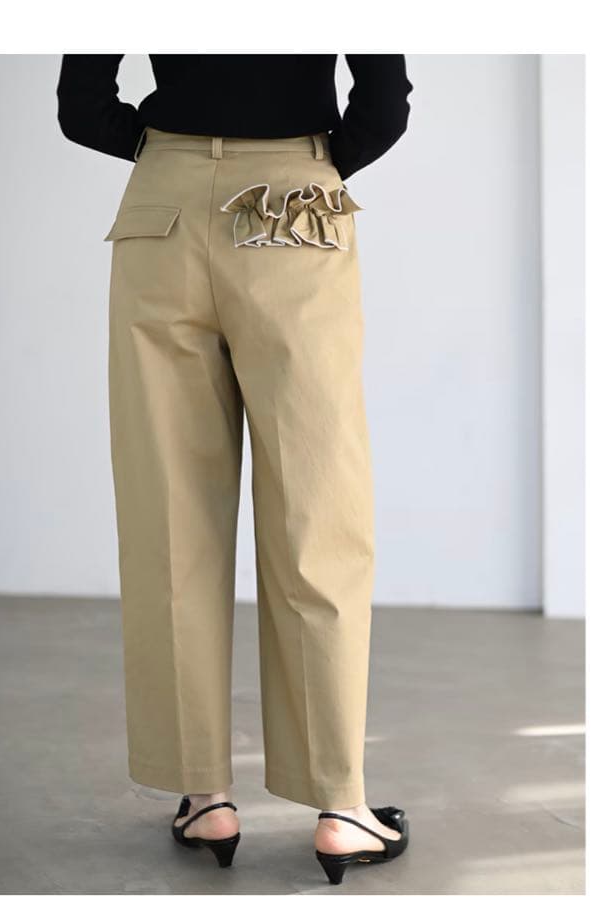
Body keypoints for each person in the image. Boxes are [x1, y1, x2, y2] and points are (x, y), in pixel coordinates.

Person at [56, 54, 413, 884]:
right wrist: (307, 161)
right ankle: (340, 806)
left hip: (163, 208)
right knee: (319, 516)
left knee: (170, 515)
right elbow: (384, 105)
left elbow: (81, 106)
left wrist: (172, 152)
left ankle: (205, 795)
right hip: (293, 204)